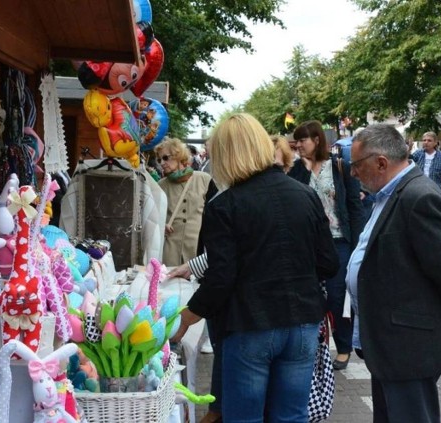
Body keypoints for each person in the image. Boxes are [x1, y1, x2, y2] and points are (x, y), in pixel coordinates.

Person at [172, 113, 339, 422]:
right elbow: (328, 263)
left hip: (251, 324)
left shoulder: (224, 205)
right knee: (291, 417)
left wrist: (188, 316)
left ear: (225, 155)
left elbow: (221, 277)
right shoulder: (306, 195)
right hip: (302, 323)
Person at [346, 124, 441, 423]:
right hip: (389, 340)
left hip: (407, 344)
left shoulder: (418, 197)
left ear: (380, 162)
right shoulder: (390, 195)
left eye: (356, 165)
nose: (353, 173)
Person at [290, 120, 366, 370]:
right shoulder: (296, 171)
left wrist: (357, 245)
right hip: (306, 244)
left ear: (317, 140)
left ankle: (343, 348)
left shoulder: (340, 167)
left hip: (338, 241)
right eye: (296, 141)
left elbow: (354, 207)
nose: (298, 145)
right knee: (309, 297)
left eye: (303, 140)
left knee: (337, 296)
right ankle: (312, 347)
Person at [155, 137, 212, 266]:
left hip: (198, 250)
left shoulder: (204, 179)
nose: (162, 163)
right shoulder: (160, 185)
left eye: (165, 158)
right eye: (159, 160)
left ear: (179, 156)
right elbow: (154, 218)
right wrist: (161, 225)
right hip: (170, 252)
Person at [412, 131, 441, 196]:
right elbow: (407, 165)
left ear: (435, 143)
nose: (426, 142)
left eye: (429, 140)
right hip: (419, 189)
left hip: (435, 189)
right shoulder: (418, 153)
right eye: (424, 140)